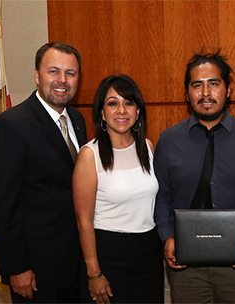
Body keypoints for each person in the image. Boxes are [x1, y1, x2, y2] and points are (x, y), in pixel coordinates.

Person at [153, 50, 235, 303]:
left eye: (213, 83)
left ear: (228, 89)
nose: (205, 93)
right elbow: (162, 196)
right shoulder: (169, 140)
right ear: (187, 93)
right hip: (186, 267)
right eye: (197, 85)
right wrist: (167, 236)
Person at [0, 42, 86, 303]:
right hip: (37, 271)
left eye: (70, 73)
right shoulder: (12, 125)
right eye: (53, 71)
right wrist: (16, 267)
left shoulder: (77, 119)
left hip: (76, 264)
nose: (62, 80)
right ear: (36, 75)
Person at [73, 74, 163, 304]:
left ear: (138, 111)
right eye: (113, 103)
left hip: (148, 256)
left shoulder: (147, 147)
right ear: (102, 113)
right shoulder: (89, 155)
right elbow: (83, 221)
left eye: (128, 103)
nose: (121, 110)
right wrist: (94, 273)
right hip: (109, 257)